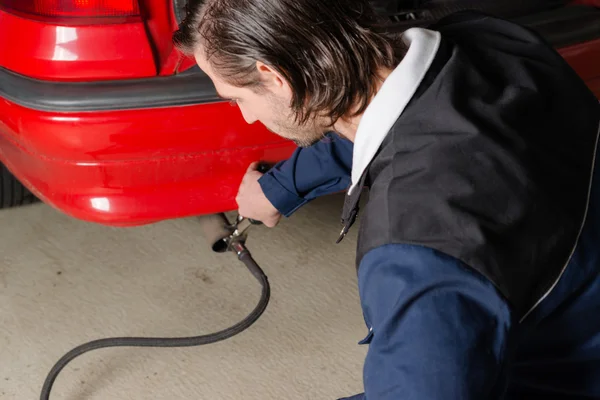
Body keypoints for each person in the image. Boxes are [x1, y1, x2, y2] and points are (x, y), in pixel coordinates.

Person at [173, 1, 600, 399]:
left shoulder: (419, 251)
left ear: (272, 76)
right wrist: (281, 187)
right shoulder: (486, 38)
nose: (247, 116)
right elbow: (391, 110)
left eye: (237, 98)